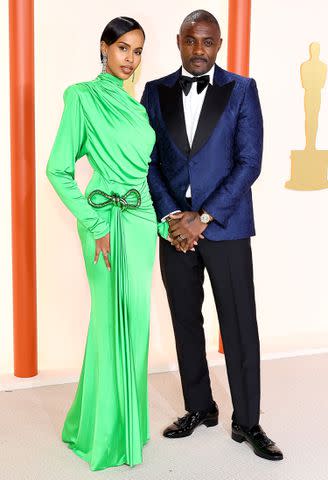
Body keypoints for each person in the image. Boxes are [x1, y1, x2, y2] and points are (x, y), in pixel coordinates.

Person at [141, 10, 283, 461]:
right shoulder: (154, 91)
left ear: (218, 44)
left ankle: (248, 421)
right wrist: (170, 215)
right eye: (190, 41)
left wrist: (202, 218)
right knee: (185, 321)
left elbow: (249, 162)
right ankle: (199, 407)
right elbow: (148, 162)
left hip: (225, 227)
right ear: (179, 41)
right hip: (173, 231)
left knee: (239, 325)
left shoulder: (242, 89)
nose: (199, 50)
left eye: (208, 42)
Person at [46, 17, 167, 471]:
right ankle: (102, 434)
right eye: (122, 48)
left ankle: (126, 428)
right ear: (104, 48)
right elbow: (58, 169)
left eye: (137, 51)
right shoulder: (82, 97)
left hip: (138, 224)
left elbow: (143, 176)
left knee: (135, 324)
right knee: (107, 323)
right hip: (102, 222)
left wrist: (159, 224)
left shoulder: (137, 109)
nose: (130, 59)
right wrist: (93, 223)